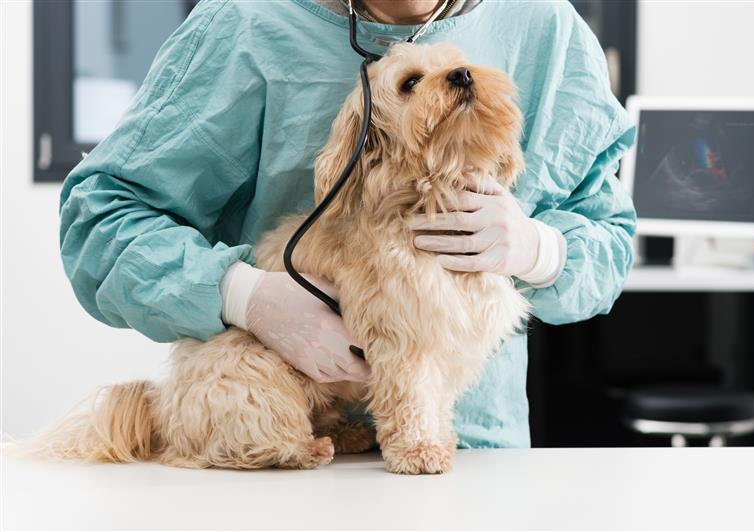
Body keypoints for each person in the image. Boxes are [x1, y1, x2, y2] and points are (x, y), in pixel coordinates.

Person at [59, 0, 637, 448]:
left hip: (474, 452)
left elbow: (606, 239)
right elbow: (102, 218)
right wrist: (245, 295)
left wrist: (538, 249)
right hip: (278, 445)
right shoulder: (246, 23)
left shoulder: (544, 27)